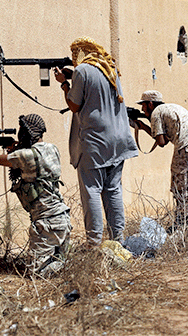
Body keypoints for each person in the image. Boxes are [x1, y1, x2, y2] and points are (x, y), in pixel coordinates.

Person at [0, 114, 71, 276]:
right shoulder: (52, 149)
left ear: (27, 133)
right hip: (62, 218)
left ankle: (68, 271)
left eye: (22, 131)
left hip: (47, 223)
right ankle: (65, 266)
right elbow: (34, 168)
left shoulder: (25, 155)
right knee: (55, 262)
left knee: (36, 273)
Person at [54, 37, 138, 248]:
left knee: (91, 189)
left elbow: (74, 105)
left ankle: (94, 243)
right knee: (113, 189)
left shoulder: (82, 70)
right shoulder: (109, 67)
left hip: (96, 141)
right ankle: (118, 240)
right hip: (118, 139)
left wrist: (64, 84)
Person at [132, 90, 188, 232]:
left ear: (150, 104)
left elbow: (161, 142)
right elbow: (165, 139)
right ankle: (184, 221)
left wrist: (145, 125)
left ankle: (180, 224)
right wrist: (143, 126)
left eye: (143, 105)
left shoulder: (156, 113)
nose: (142, 109)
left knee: (179, 185)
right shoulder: (170, 108)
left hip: (186, 144)